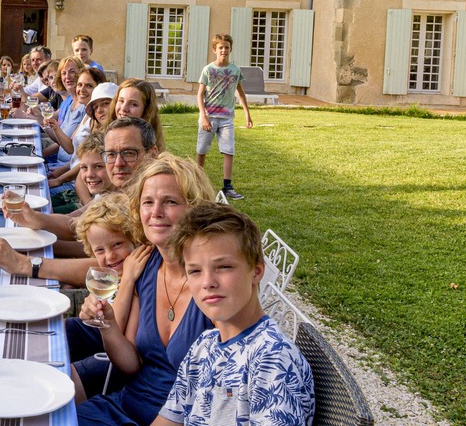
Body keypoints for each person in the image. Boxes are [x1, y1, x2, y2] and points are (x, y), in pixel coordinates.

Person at [75, 154, 217, 425]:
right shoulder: (145, 265)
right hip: (124, 406)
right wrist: (107, 324)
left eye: (171, 202)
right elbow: (131, 363)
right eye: (147, 202)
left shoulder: (213, 283)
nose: (156, 212)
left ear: (196, 209)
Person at [155, 202, 315, 426]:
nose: (208, 282)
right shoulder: (204, 346)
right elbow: (168, 420)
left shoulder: (271, 358)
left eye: (224, 267)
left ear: (256, 271)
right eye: (195, 271)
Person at [0, 118, 159, 286]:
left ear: (152, 153)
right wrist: (35, 218)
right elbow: (77, 224)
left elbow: (110, 270)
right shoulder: (123, 191)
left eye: (129, 153)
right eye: (111, 155)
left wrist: (26, 264)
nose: (118, 163)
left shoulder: (154, 202)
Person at [65, 194, 144, 399]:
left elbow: (115, 323)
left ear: (134, 238)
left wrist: (127, 282)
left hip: (122, 355)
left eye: (117, 244)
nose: (110, 256)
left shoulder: (138, 275)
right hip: (105, 334)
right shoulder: (116, 273)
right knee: (60, 331)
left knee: (68, 379)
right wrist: (89, 309)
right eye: (100, 250)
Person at [195, 34, 254, 201]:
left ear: (230, 49)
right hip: (209, 117)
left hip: (227, 118)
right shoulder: (208, 70)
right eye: (221, 47)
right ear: (215, 50)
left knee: (229, 151)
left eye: (227, 47)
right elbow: (199, 95)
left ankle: (227, 186)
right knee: (202, 150)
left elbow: (241, 93)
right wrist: (203, 116)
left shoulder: (235, 70)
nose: (224, 50)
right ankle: (197, 183)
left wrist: (247, 114)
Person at [114, 79, 165, 150]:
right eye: (121, 101)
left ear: (146, 110)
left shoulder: (149, 151)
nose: (124, 108)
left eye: (133, 104)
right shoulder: (103, 139)